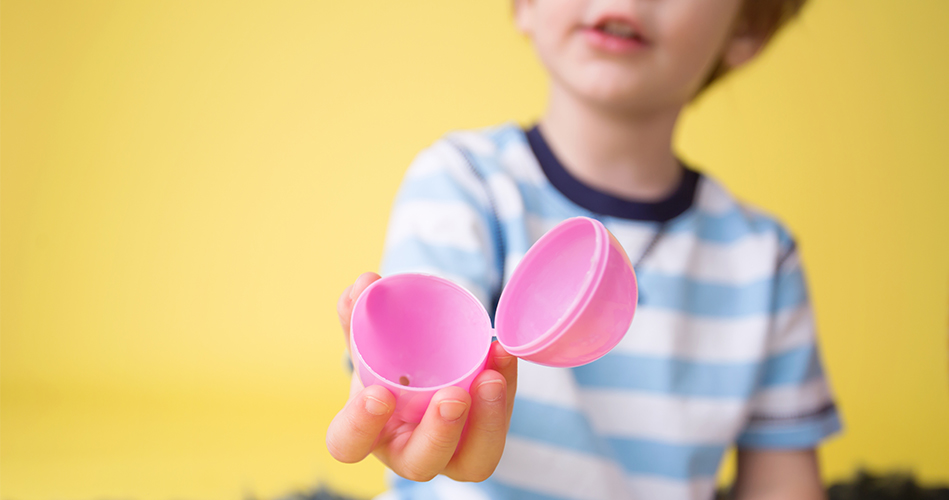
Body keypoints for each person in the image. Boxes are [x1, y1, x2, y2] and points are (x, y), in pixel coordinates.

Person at [326, 0, 842, 498]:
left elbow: (780, 484)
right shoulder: (464, 183)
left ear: (745, 25)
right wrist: (398, 408)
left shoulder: (762, 260)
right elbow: (414, 370)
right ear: (525, 3)